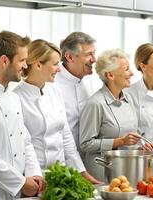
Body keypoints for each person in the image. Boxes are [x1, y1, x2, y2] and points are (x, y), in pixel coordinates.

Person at [13, 39, 101, 184]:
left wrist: (82, 173)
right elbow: (23, 144)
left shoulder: (54, 91)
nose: (59, 69)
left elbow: (66, 137)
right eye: (55, 64)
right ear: (38, 65)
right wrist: (34, 178)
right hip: (34, 177)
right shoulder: (16, 97)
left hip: (60, 174)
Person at [0, 31, 43, 199]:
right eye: (22, 60)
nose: (26, 66)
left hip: (16, 192)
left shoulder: (13, 97)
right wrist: (21, 182)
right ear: (4, 60)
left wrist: (34, 174)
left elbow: (25, 140)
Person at [79, 49, 142, 181]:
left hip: (126, 171)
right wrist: (119, 142)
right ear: (110, 75)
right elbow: (85, 144)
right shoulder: (95, 103)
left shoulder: (128, 99)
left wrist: (141, 144)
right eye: (126, 69)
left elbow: (132, 134)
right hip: (104, 173)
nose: (131, 73)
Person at [54, 32, 97, 155]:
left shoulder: (91, 81)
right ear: (69, 57)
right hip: (60, 160)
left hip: (85, 158)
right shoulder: (51, 83)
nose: (94, 59)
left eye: (94, 53)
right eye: (89, 54)